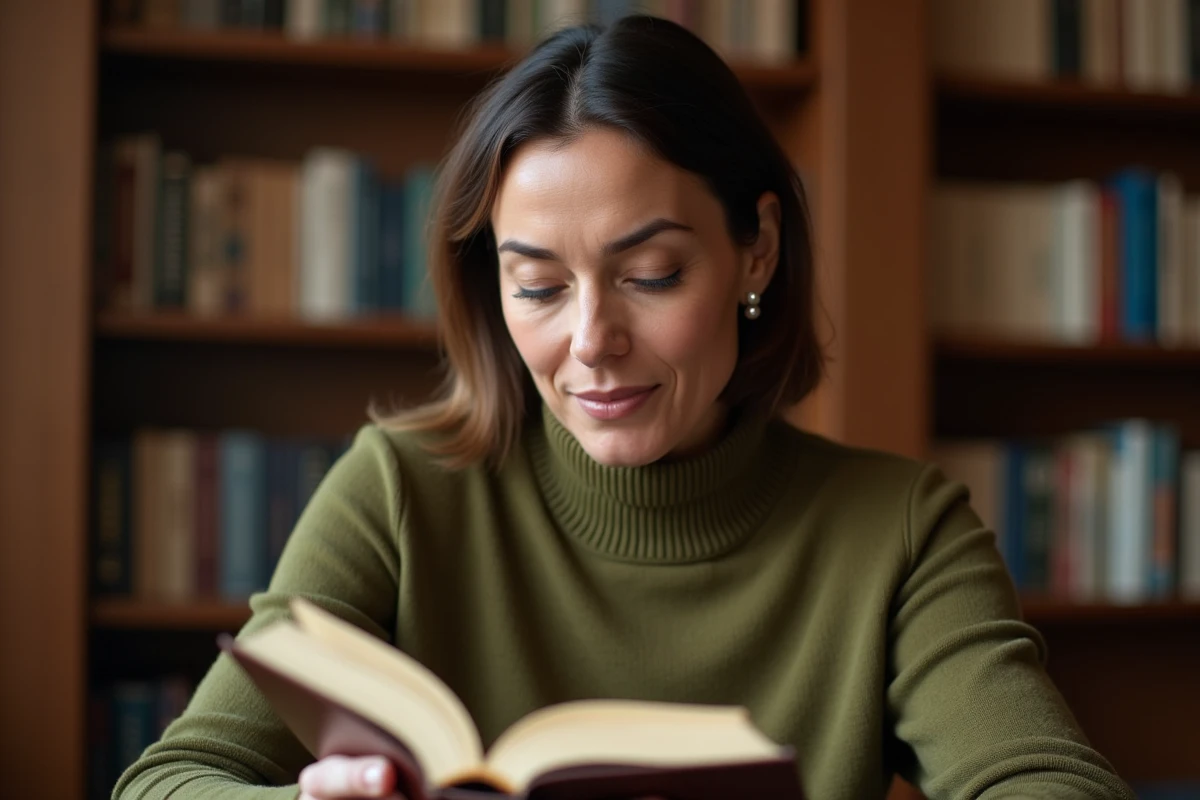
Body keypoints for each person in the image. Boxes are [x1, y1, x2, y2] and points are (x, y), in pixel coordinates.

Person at [113, 15, 1135, 800]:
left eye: (648, 273)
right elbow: (166, 778)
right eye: (539, 285)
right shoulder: (398, 488)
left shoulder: (901, 533)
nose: (590, 340)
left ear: (757, 250)